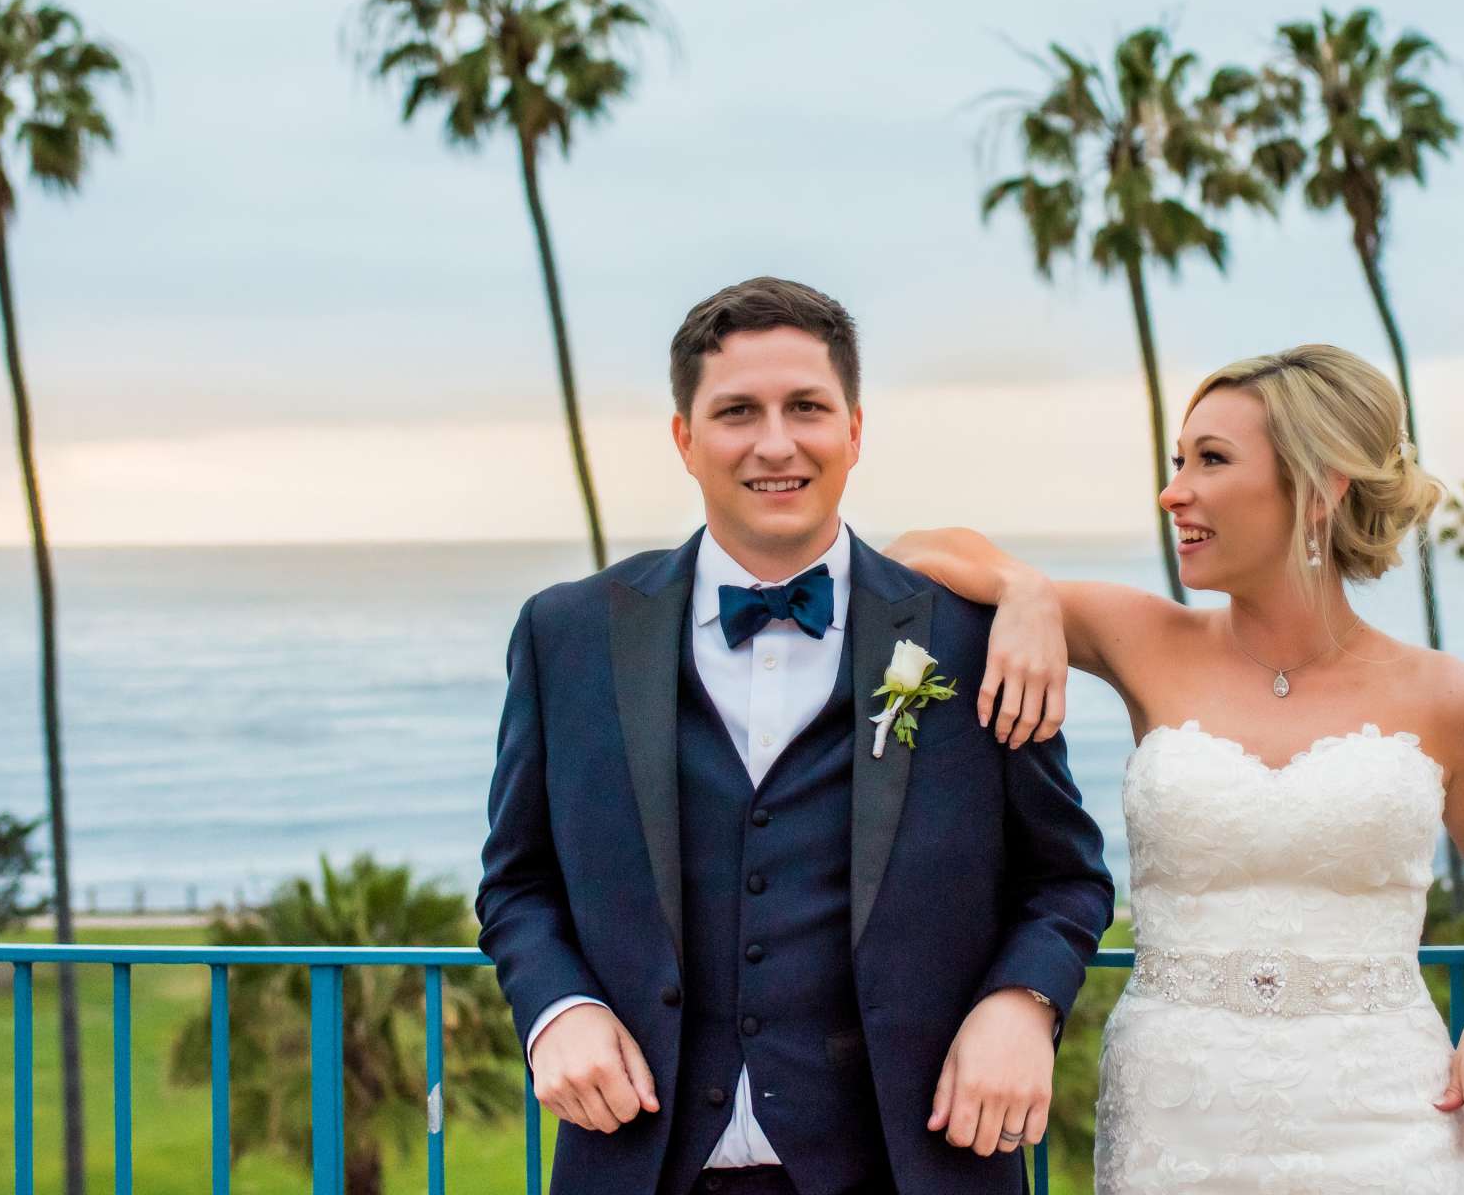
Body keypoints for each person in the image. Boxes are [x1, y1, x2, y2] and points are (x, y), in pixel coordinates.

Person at [475, 277, 1113, 1195]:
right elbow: (518, 880)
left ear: (854, 431)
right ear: (685, 439)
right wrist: (557, 1009)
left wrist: (1023, 1001)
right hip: (641, 1163)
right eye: (737, 412)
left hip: (913, 1165)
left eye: (806, 408)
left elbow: (1066, 876)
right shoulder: (565, 635)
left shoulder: (970, 637)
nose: (776, 443)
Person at [890, 344, 1464, 1194]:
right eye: (1179, 461)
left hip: (1390, 1118)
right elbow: (914, 551)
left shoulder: (1451, 698)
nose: (1174, 492)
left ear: (1319, 490)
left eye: (1211, 460)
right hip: (1175, 1119)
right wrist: (1025, 592)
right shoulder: (1143, 638)